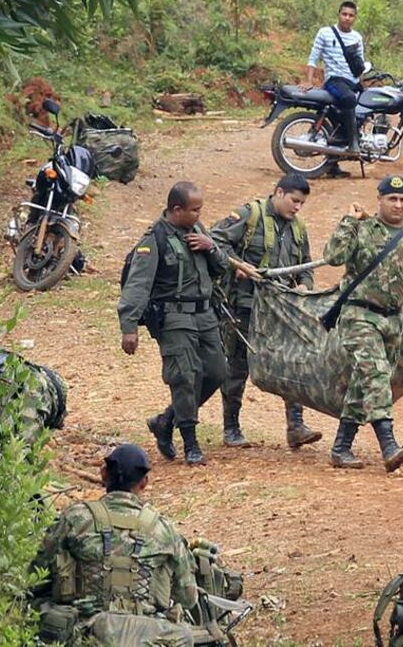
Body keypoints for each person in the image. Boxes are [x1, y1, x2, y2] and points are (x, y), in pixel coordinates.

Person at [323, 175, 403, 472]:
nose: (398, 204)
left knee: (364, 381)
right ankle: (389, 445)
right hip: (358, 315)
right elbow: (333, 256)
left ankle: (341, 447)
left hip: (393, 321)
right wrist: (348, 221)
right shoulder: (362, 230)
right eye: (392, 199)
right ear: (379, 199)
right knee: (377, 373)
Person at [29, 444, 198, 646]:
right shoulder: (163, 529)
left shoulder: (75, 517)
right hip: (147, 636)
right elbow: (188, 598)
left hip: (84, 634)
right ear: (144, 482)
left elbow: (36, 577)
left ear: (103, 474)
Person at [118, 182, 230, 466]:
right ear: (176, 209)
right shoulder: (154, 239)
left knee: (217, 371)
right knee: (185, 376)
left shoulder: (199, 232)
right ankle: (190, 443)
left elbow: (221, 268)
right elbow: (137, 285)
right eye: (194, 210)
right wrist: (129, 327)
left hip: (204, 314)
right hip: (173, 317)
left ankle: (167, 420)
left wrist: (211, 247)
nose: (199, 215)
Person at [210, 174, 323, 450]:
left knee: (292, 361)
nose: (297, 207)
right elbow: (214, 241)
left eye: (302, 203)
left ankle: (295, 426)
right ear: (279, 192)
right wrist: (235, 266)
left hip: (281, 309)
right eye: (294, 201)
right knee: (237, 365)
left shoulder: (298, 228)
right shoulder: (250, 215)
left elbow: (305, 264)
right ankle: (231, 427)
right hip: (245, 305)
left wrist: (306, 285)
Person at [305, 0, 365, 176]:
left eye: (351, 15)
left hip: (351, 82)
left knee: (364, 109)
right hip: (334, 80)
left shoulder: (357, 38)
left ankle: (332, 165)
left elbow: (359, 64)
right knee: (348, 99)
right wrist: (309, 80)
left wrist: (363, 83)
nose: (347, 18)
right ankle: (353, 142)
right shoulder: (325, 33)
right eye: (344, 14)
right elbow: (313, 58)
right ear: (338, 14)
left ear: (355, 18)